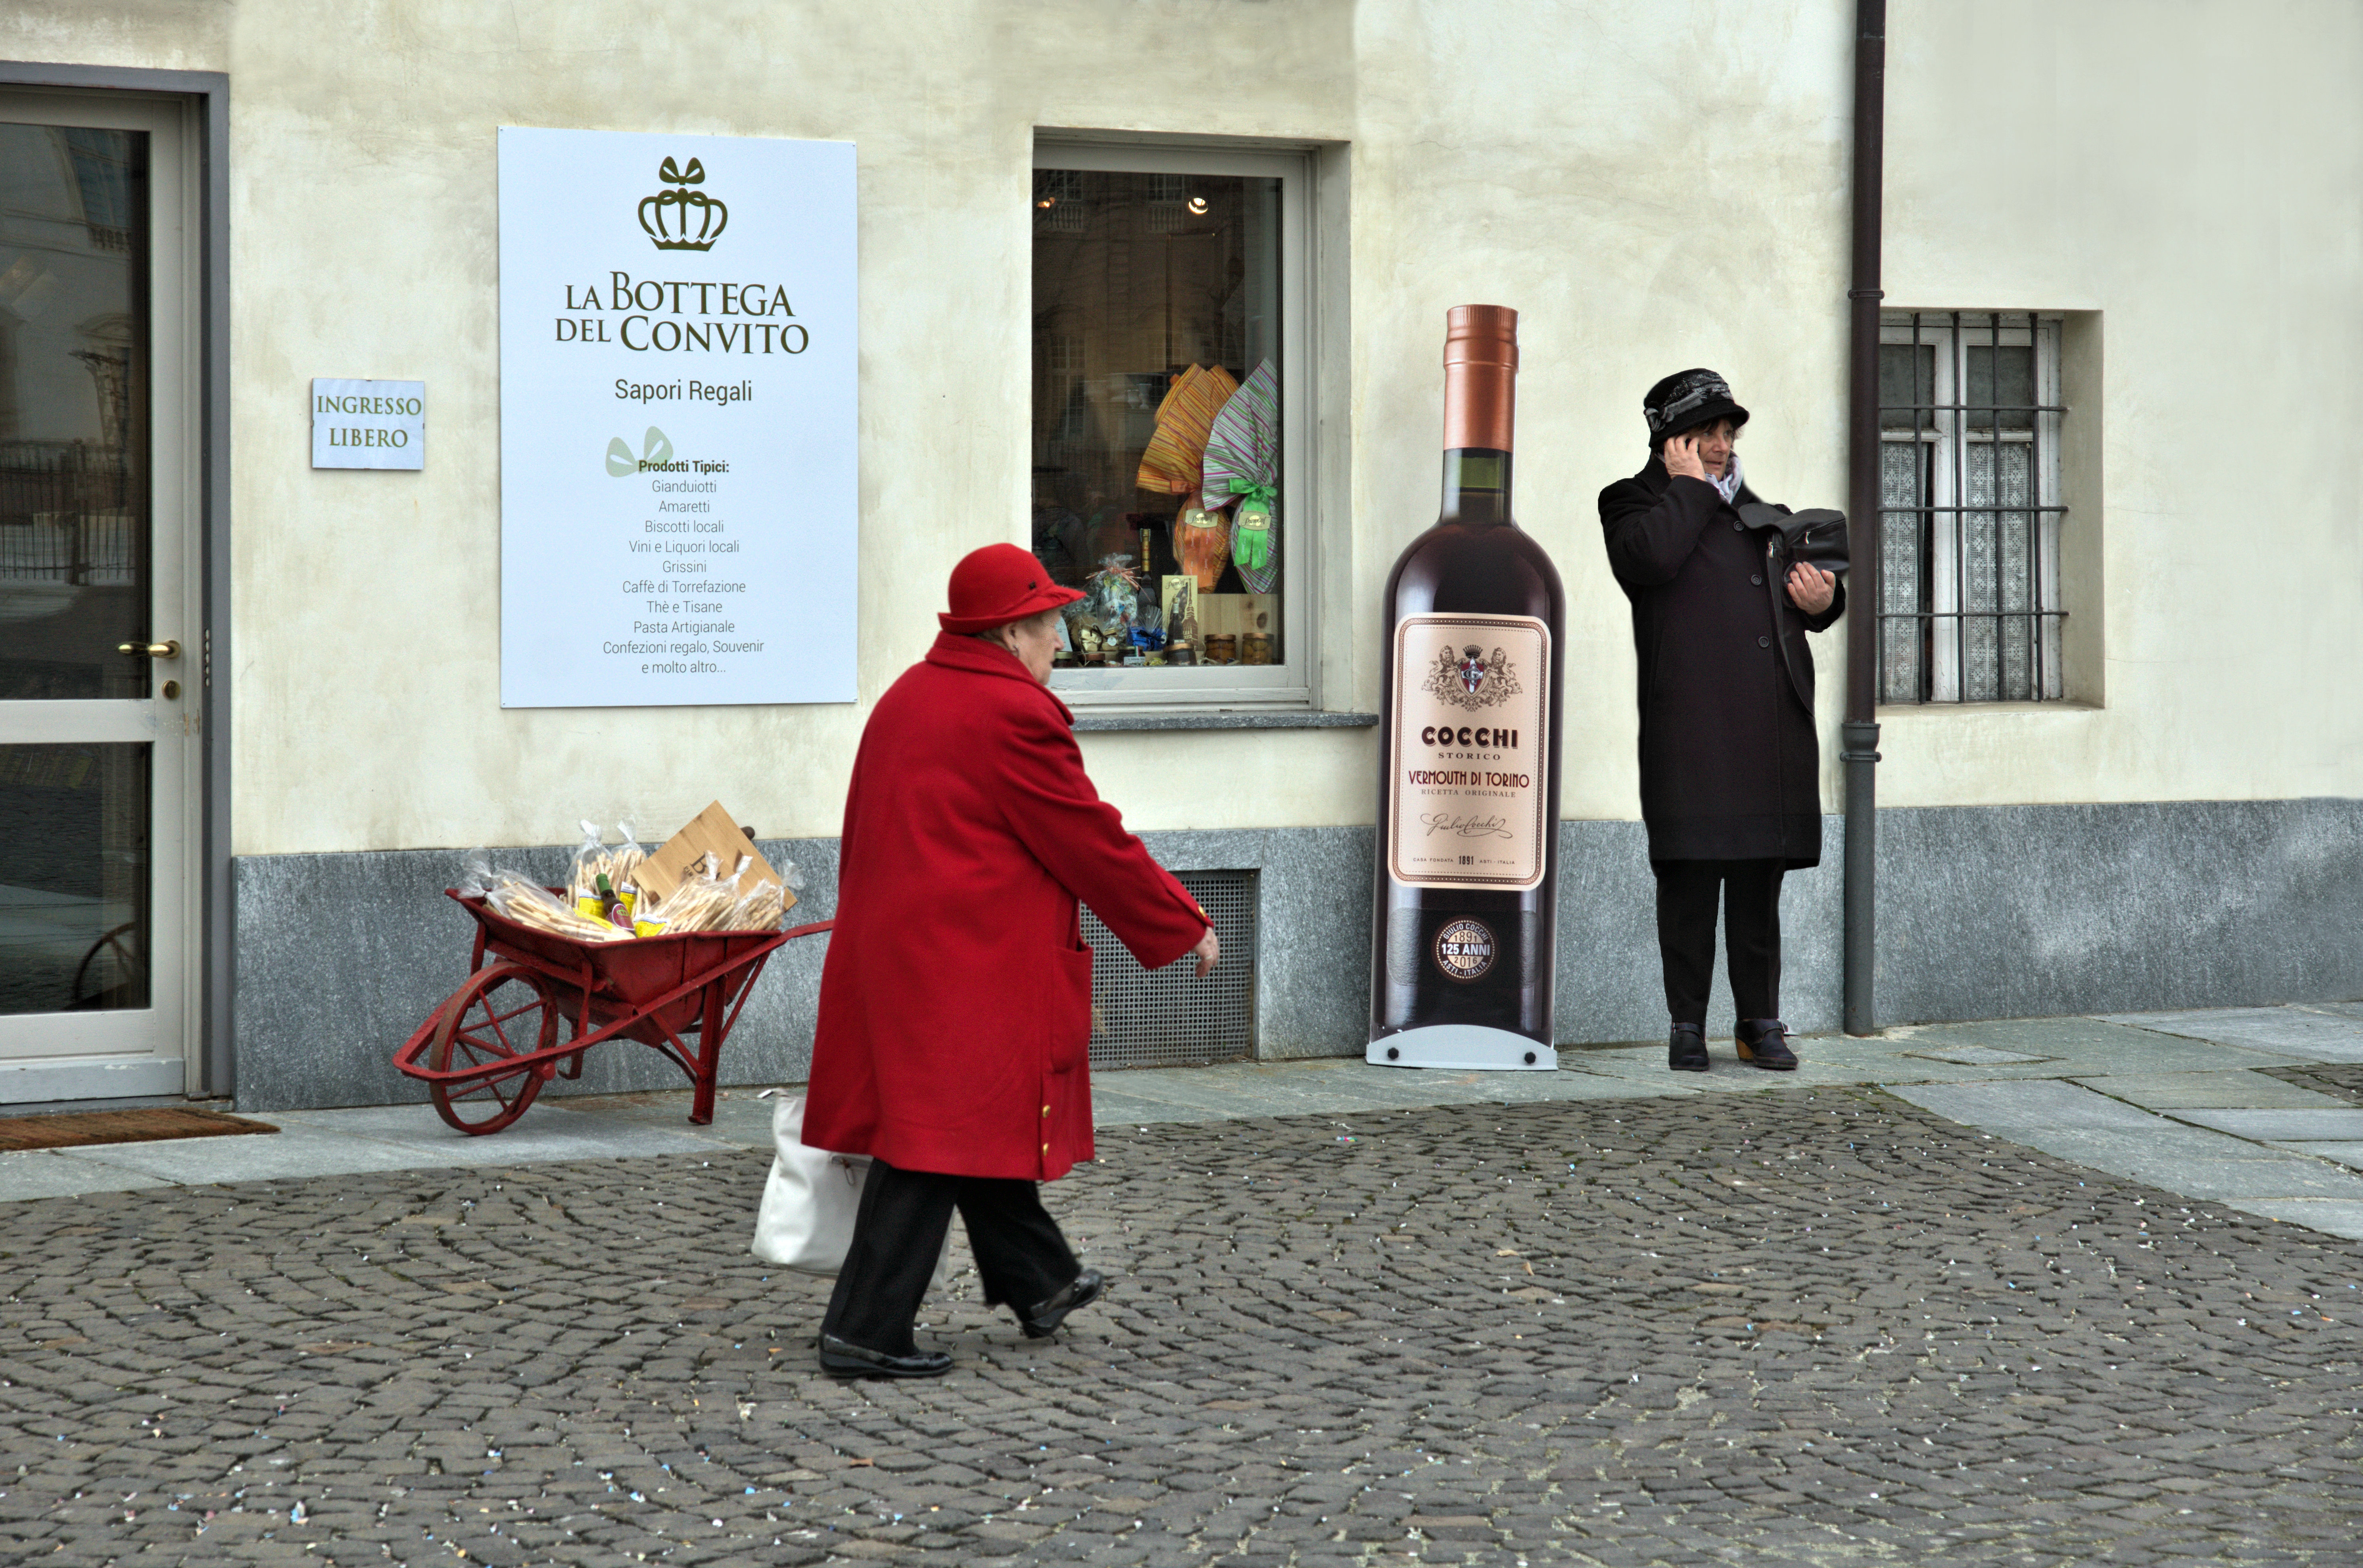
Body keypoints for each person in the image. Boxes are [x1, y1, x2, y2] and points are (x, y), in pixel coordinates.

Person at [801, 542, 1219, 1378]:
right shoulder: (1012, 713)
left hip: (912, 954)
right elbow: (1088, 839)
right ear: (1010, 633)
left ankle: (1042, 1282)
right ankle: (865, 1329)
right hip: (959, 963)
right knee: (931, 1141)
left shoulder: (913, 695)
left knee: (966, 1120)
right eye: (1050, 625)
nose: (1060, 642)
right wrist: (1183, 925)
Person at [1596, 369, 1842, 1074]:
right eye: (1705, 433)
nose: (1720, 446)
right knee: (1690, 876)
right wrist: (1687, 489)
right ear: (1669, 439)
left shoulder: (1765, 514)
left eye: (1727, 433)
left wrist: (1824, 601)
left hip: (1768, 724)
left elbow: (1811, 596)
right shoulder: (1632, 503)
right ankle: (1685, 1024)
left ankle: (1759, 1022)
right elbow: (1649, 560)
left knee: (1758, 879)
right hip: (1690, 726)